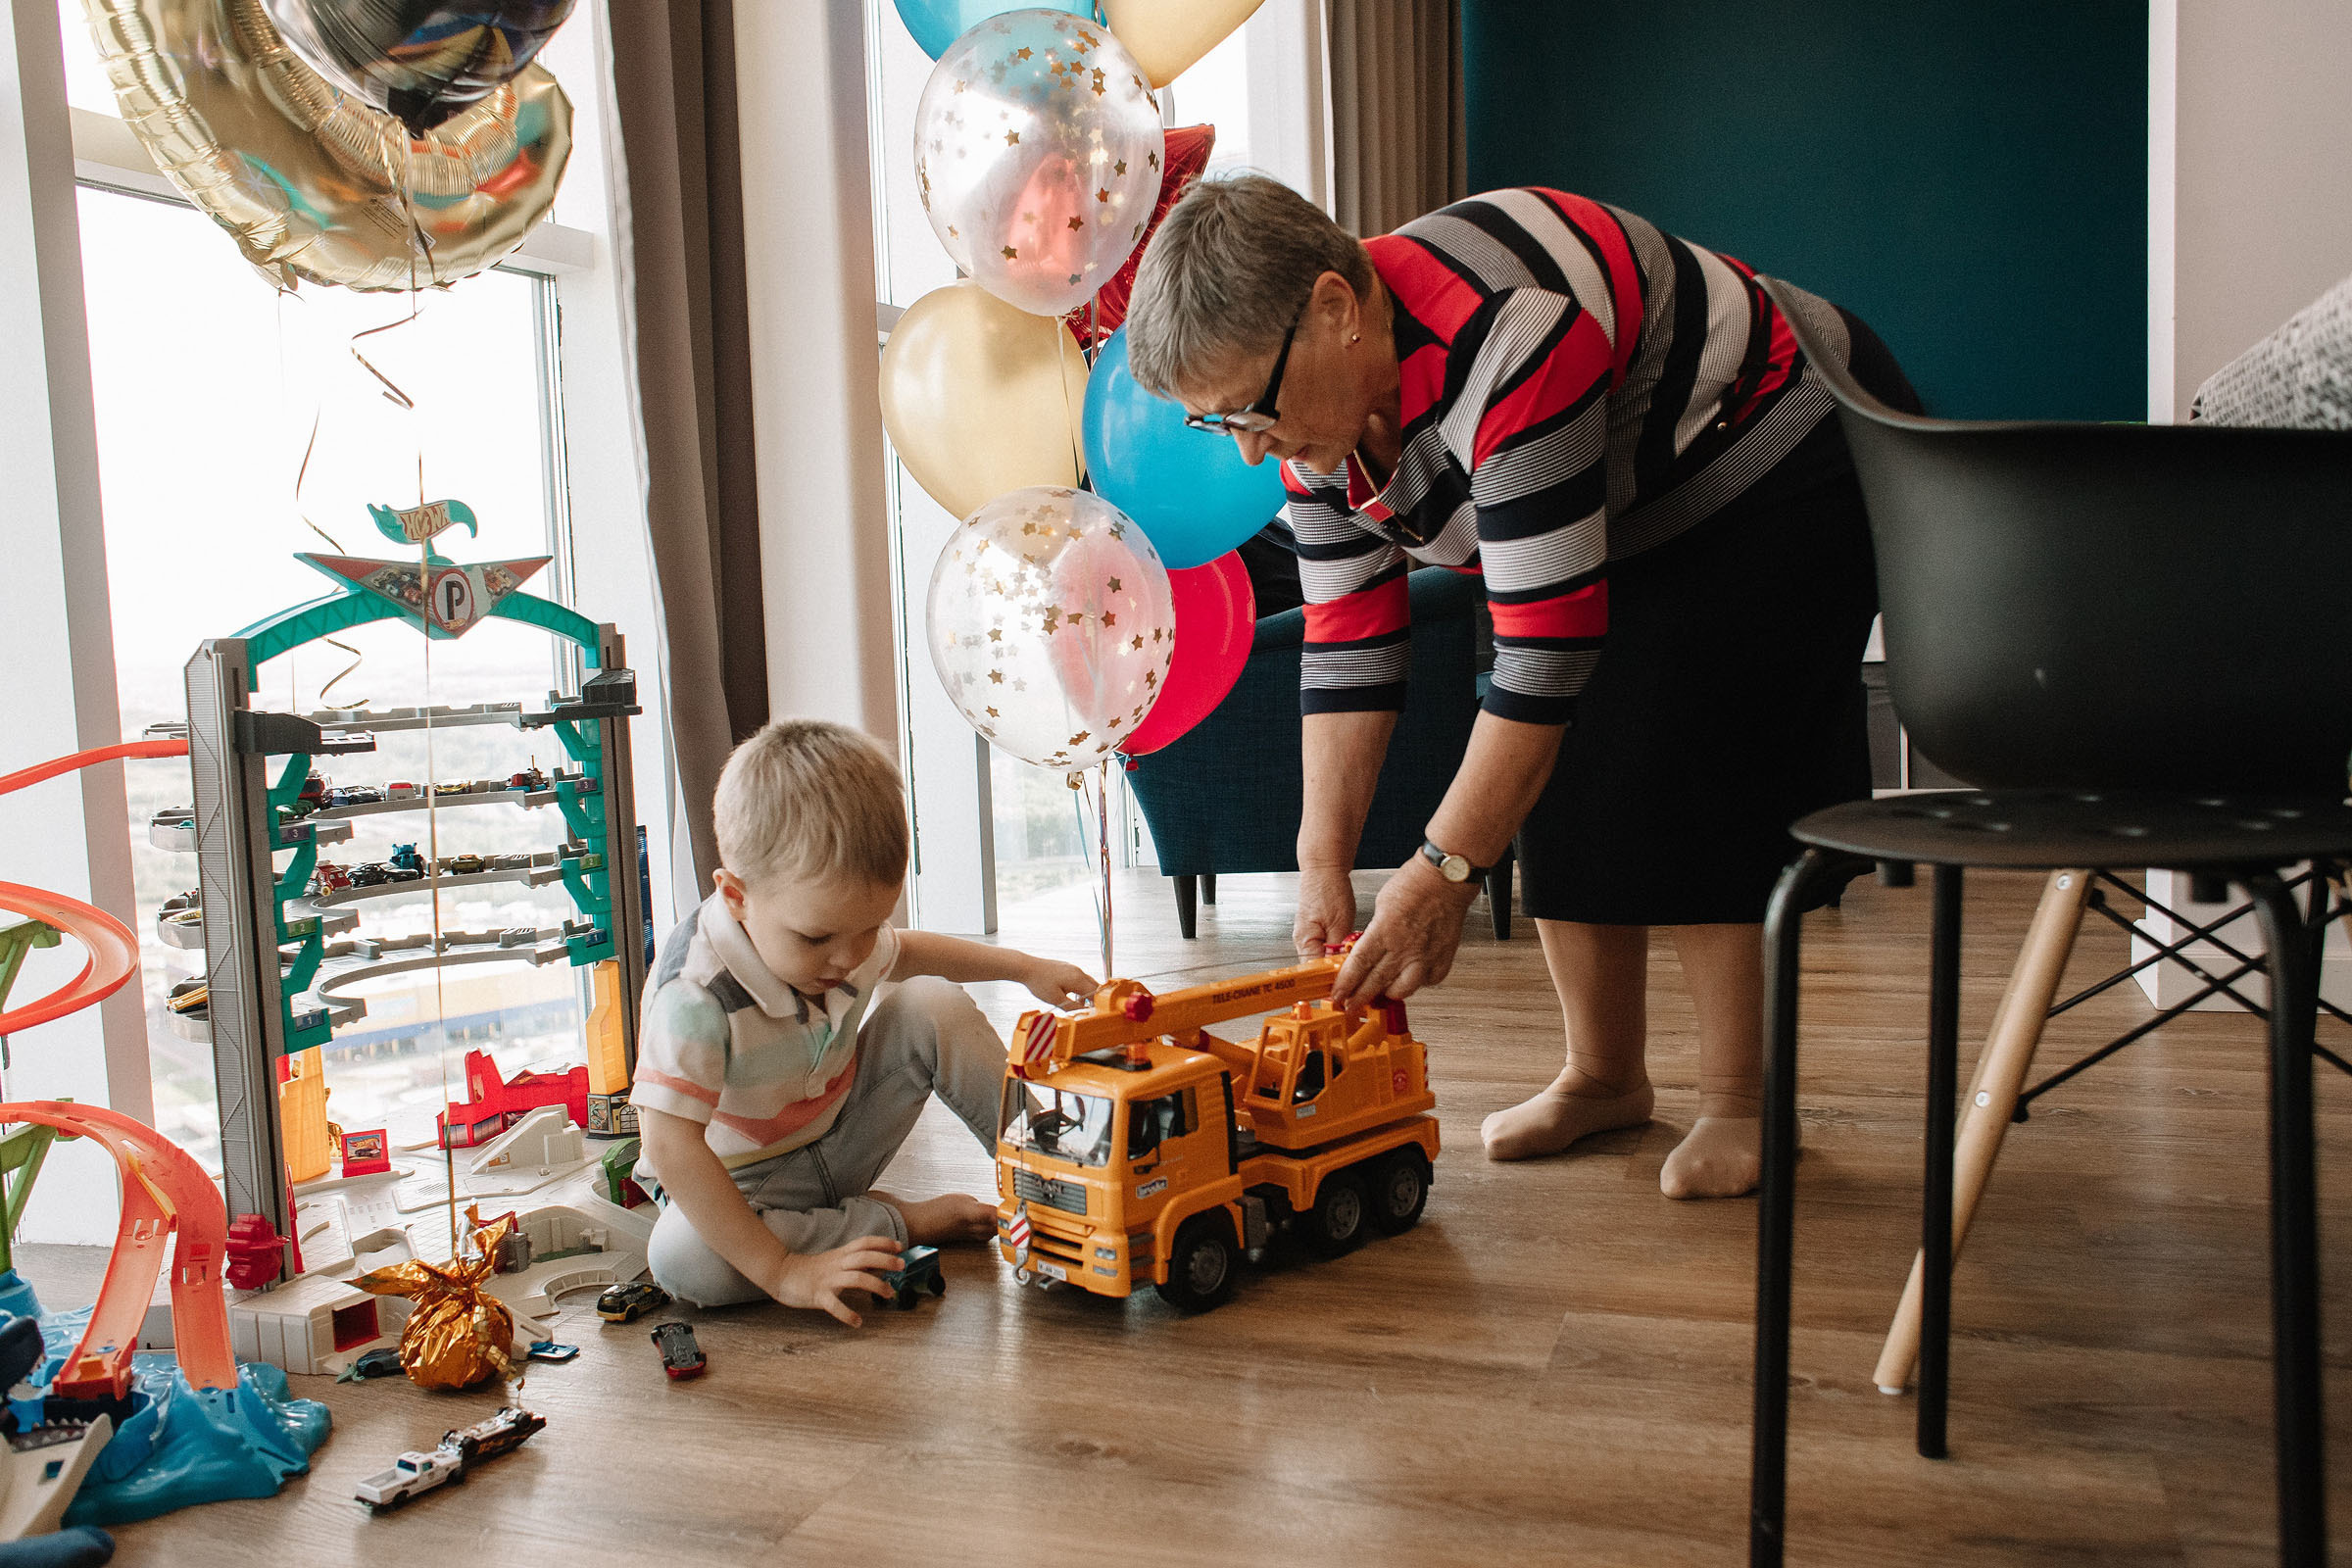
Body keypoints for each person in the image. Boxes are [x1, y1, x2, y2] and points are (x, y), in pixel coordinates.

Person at [1122, 175, 1920, 1199]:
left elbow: (1544, 660)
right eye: (1217, 423)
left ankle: (1745, 1100)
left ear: (1334, 308)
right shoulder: (1310, 432)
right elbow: (1350, 644)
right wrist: (1323, 864)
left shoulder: (1508, 337)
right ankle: (1605, 1075)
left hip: (1779, 434)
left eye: (1251, 409)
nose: (1248, 446)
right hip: (1641, 495)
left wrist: (1442, 873)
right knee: (1561, 756)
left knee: (1693, 729)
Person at [635, 719, 1097, 1322]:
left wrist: (1025, 968)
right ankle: (898, 1223)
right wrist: (782, 1270)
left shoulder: (837, 935)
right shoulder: (693, 996)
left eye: (869, 928)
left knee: (932, 1001)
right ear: (737, 897)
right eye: (817, 938)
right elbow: (670, 1147)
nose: (850, 958)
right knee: (682, 1258)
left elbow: (912, 953)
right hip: (740, 1187)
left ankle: (1058, 1183)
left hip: (842, 1138)